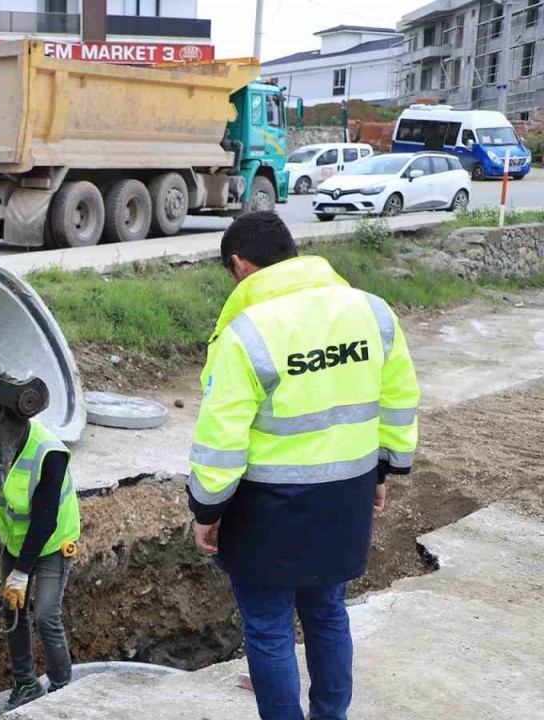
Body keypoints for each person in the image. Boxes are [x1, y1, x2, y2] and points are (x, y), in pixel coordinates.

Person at [187, 211, 420, 720]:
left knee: (269, 627)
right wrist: (384, 471)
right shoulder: (372, 312)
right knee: (327, 613)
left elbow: (222, 436)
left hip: (266, 507)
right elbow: (398, 397)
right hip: (346, 496)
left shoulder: (247, 333)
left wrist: (206, 508)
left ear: (240, 265)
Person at [0, 417, 81, 709]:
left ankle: (61, 686)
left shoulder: (49, 453)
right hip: (14, 538)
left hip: (53, 541)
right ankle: (26, 684)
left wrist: (21, 572)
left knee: (46, 615)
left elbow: (44, 522)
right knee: (11, 608)